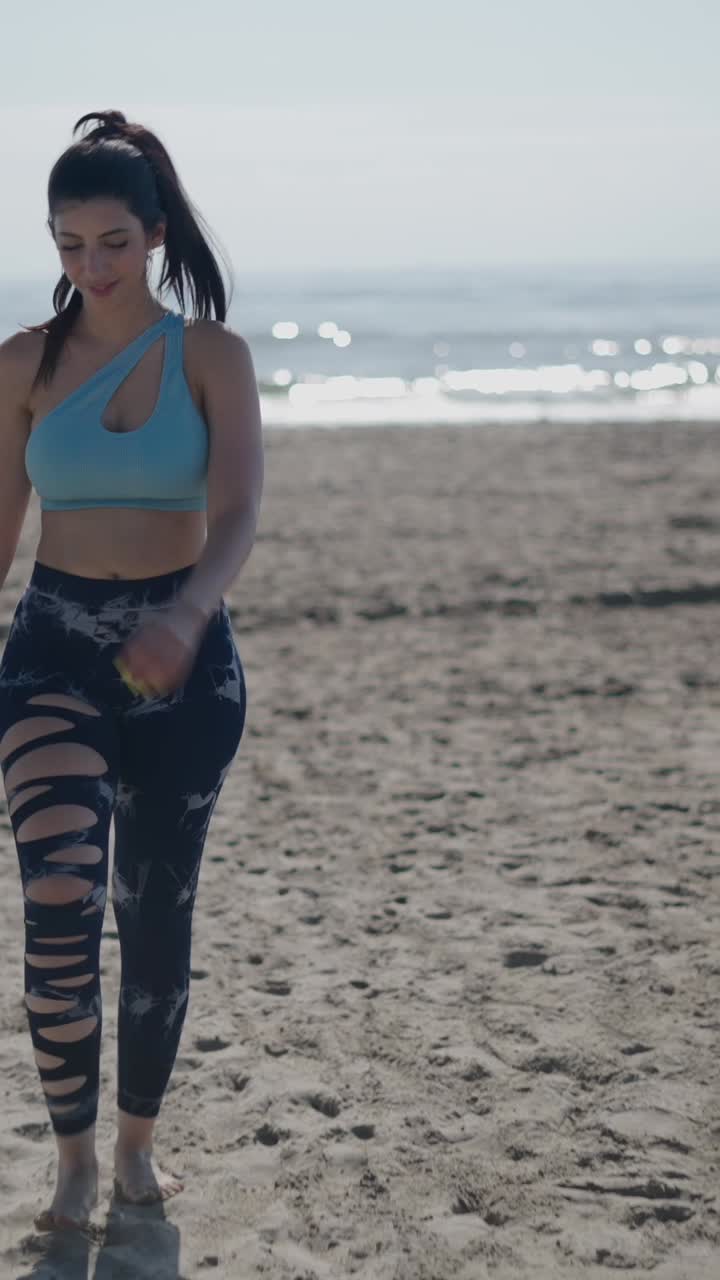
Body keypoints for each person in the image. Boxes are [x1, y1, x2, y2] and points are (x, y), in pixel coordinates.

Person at [0, 108, 264, 1233]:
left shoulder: (212, 355)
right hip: (53, 645)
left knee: (155, 911)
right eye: (67, 244)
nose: (89, 266)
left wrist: (191, 613)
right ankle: (70, 1159)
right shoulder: (21, 362)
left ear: (152, 234)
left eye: (110, 241)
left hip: (183, 659)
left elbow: (242, 509)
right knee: (58, 901)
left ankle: (138, 1151)